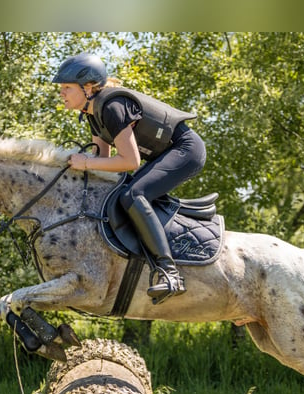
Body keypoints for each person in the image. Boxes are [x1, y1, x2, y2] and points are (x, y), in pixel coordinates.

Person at [52, 53, 206, 304]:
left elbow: (130, 162)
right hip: (166, 153)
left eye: (67, 87)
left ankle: (170, 273)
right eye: (61, 88)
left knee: (134, 194)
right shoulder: (93, 113)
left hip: (186, 150)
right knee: (118, 192)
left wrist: (86, 163)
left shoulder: (112, 107)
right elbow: (103, 159)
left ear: (88, 88)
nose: (62, 93)